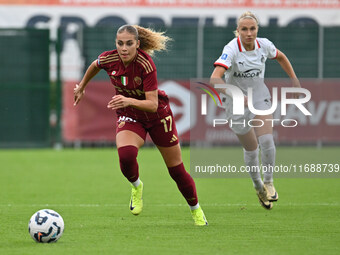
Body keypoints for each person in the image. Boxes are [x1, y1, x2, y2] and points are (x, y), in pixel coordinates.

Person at [74, 24, 208, 225]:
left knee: (177, 171)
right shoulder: (109, 58)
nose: (124, 48)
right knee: (126, 155)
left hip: (157, 118)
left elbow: (152, 105)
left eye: (129, 43)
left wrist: (128, 100)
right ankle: (136, 186)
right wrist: (82, 86)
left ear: (137, 44)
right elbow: (95, 65)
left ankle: (196, 209)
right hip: (131, 116)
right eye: (120, 43)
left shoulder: (146, 65)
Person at [210, 11, 301, 210]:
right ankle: (258, 186)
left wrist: (293, 79)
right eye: (244, 29)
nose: (249, 33)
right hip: (236, 103)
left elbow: (281, 56)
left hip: (259, 97)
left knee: (267, 140)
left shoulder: (264, 45)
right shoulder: (232, 49)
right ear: (238, 31)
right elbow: (214, 79)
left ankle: (268, 182)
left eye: (252, 29)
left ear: (257, 29)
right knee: (251, 148)